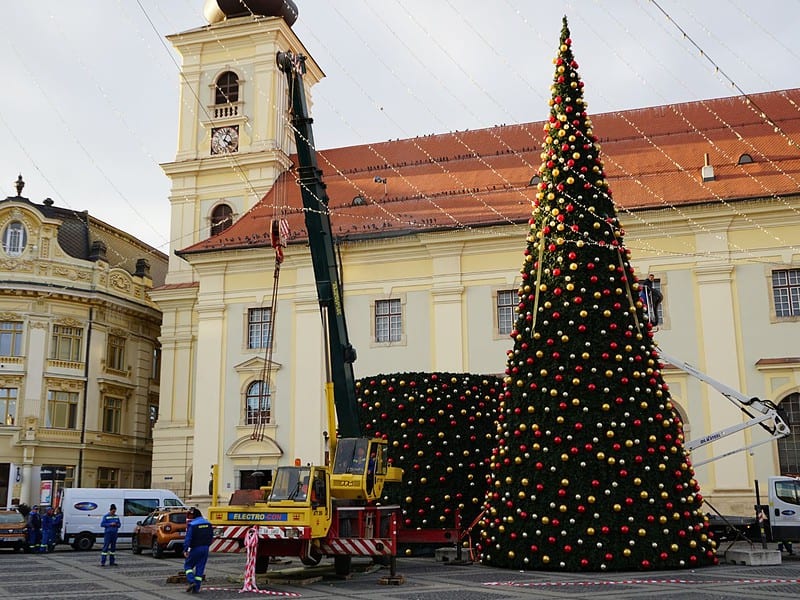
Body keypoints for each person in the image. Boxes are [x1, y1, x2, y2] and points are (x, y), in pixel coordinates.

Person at [183, 507, 213, 594]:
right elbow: (211, 537)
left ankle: (191, 581)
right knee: (200, 568)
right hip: (205, 548)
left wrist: (186, 549)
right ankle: (196, 588)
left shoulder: (192, 525)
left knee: (188, 566)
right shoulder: (208, 524)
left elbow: (188, 539)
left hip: (196, 548)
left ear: (194, 516)